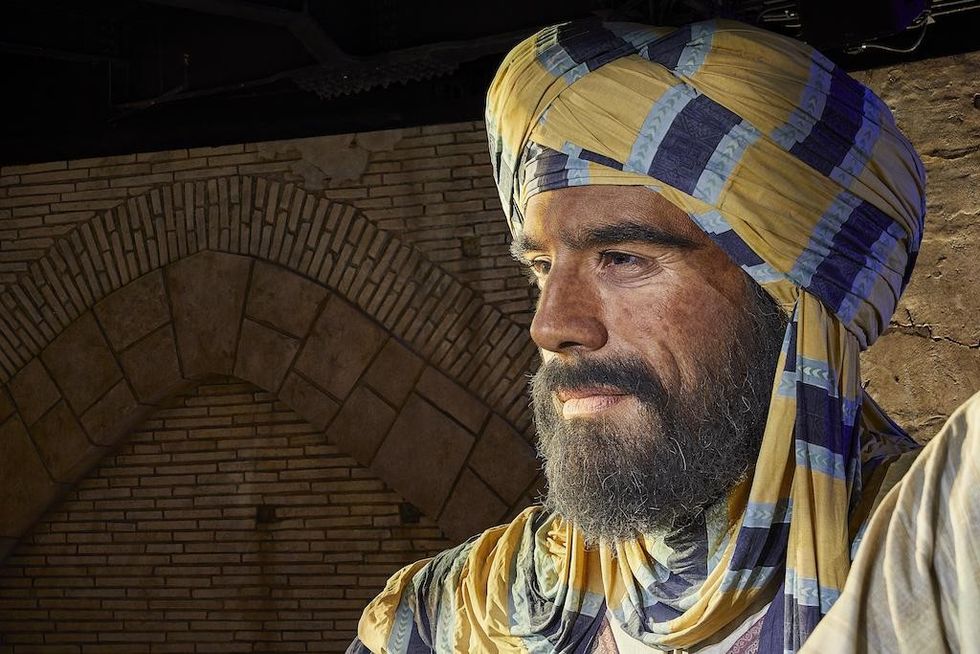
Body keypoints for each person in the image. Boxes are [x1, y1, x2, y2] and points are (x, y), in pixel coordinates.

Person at [347, 17, 933, 653]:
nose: (551, 326)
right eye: (541, 266)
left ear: (789, 297)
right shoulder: (463, 613)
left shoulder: (935, 573)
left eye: (623, 258)